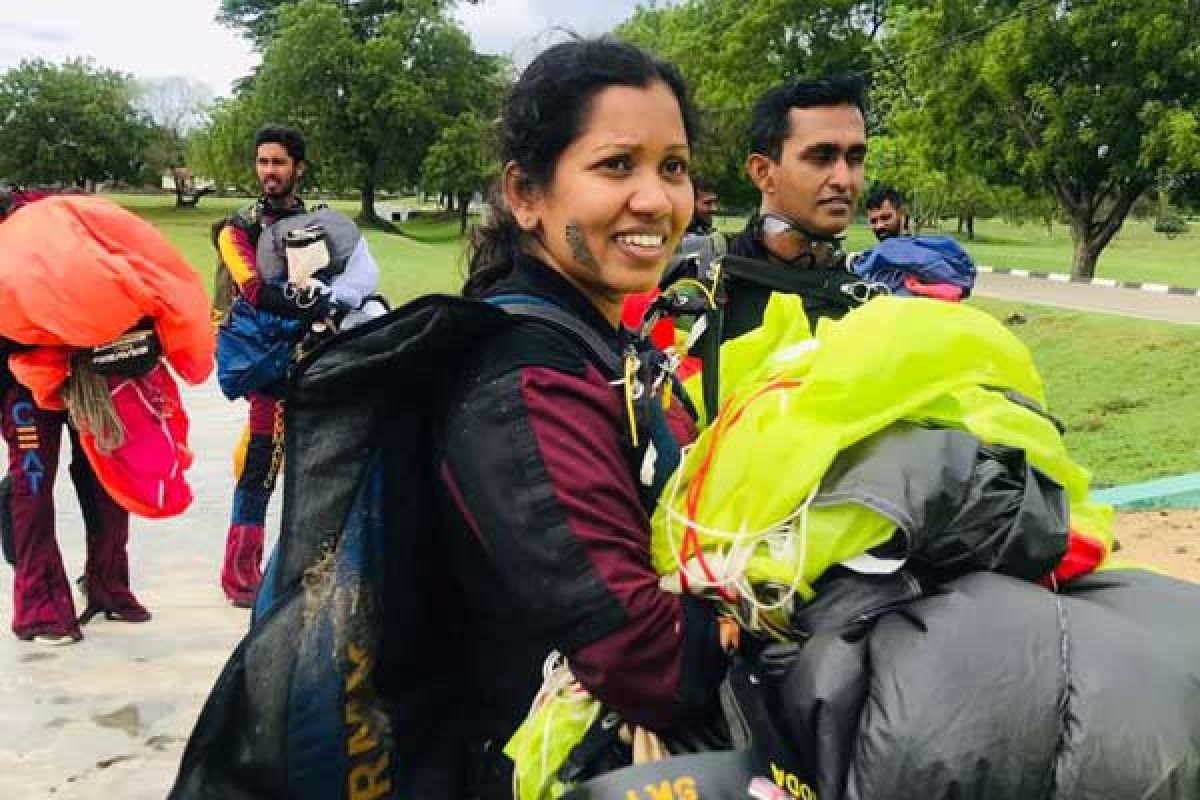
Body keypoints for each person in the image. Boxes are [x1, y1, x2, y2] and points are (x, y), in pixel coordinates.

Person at [434, 38, 736, 798]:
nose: (657, 200)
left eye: (673, 166)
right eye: (616, 165)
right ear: (526, 194)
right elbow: (642, 656)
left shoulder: (591, 340)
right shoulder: (524, 376)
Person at [214, 125, 323, 608]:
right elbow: (254, 288)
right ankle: (240, 574)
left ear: (298, 167)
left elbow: (337, 278)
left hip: (314, 358)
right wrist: (312, 303)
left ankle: (302, 567)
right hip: (266, 364)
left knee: (318, 461)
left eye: (278, 162)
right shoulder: (238, 228)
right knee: (261, 461)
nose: (269, 172)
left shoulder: (318, 224)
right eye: (263, 162)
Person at [719, 77, 869, 339]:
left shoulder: (869, 300)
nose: (844, 179)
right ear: (762, 172)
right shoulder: (705, 289)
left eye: (855, 158)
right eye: (821, 158)